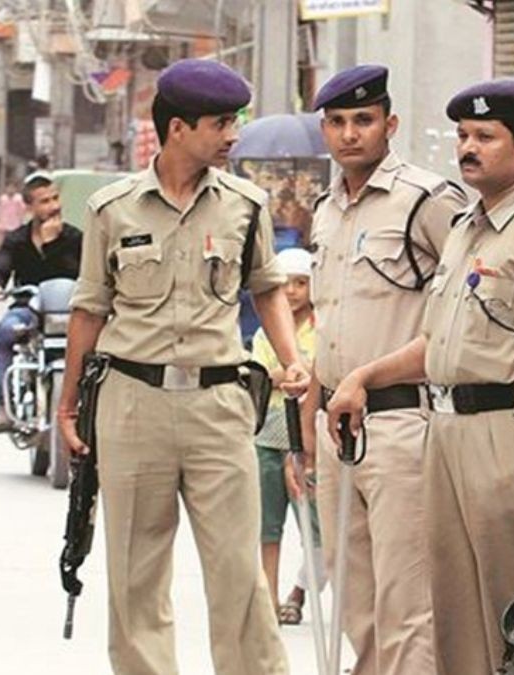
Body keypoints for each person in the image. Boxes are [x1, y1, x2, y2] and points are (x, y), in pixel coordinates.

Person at [327, 78, 514, 674]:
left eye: (485, 136)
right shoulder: (463, 229)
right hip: (445, 433)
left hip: (511, 436)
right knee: (452, 617)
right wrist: (364, 377)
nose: (468, 148)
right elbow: (436, 344)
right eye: (462, 136)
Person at [56, 58, 308, 675]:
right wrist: (68, 405)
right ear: (177, 128)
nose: (232, 136)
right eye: (221, 123)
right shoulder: (112, 208)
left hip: (219, 405)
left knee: (239, 574)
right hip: (131, 402)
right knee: (136, 575)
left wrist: (293, 359)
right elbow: (89, 310)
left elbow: (267, 288)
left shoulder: (246, 205)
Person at [305, 64, 466, 674]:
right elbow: (328, 324)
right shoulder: (326, 209)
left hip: (400, 423)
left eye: (364, 120)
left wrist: (366, 379)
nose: (350, 134)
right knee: (354, 600)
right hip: (334, 428)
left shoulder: (428, 200)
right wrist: (309, 419)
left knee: (406, 601)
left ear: (389, 125)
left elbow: (457, 322)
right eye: (338, 122)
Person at [251, 247, 325, 626]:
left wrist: (290, 375)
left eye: (301, 283)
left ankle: (299, 591)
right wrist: (298, 373)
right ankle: (269, 599)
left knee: (317, 529)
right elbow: (261, 378)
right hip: (267, 434)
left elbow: (320, 374)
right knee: (268, 525)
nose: (292, 291)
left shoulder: (323, 328)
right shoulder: (264, 332)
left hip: (306, 437)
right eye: (285, 284)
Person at [0, 173, 83, 432]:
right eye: (44, 201)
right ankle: (5, 402)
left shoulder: (74, 238)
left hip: (70, 312)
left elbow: (81, 272)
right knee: (5, 331)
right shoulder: (16, 239)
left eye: (55, 198)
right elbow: (1, 270)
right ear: (29, 207)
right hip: (29, 309)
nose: (53, 206)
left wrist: (52, 245)